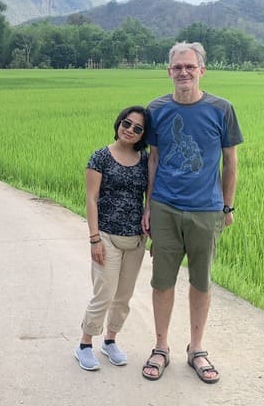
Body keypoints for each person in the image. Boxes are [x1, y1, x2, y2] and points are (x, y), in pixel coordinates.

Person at [140, 42, 243, 384]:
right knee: (162, 281)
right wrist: (148, 205)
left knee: (201, 282)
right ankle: (160, 347)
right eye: (177, 67)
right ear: (168, 71)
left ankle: (196, 349)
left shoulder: (221, 109)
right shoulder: (156, 109)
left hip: (206, 210)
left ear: (202, 70)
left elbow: (230, 163)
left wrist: (226, 207)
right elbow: (153, 159)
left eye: (189, 66)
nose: (183, 72)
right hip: (165, 207)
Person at [74, 105, 151, 371]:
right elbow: (91, 199)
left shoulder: (145, 159)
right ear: (119, 123)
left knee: (123, 296)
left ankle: (110, 340)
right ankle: (84, 344)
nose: (130, 130)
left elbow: (149, 196)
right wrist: (94, 238)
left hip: (136, 238)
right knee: (104, 293)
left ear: (143, 135)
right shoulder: (100, 157)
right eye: (127, 124)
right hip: (106, 235)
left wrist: (149, 217)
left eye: (138, 128)